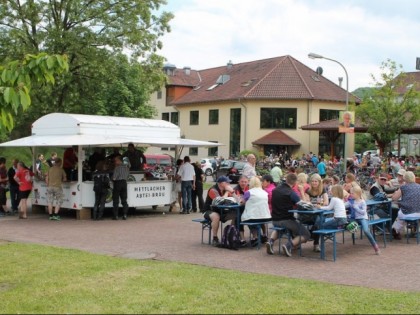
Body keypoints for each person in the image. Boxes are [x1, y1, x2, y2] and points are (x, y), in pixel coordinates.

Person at [266, 173, 311, 257]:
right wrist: (301, 191)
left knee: (281, 229)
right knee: (306, 234)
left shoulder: (275, 190)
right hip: (286, 220)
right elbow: (304, 205)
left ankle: (271, 241)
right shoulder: (291, 192)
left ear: (286, 180)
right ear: (294, 183)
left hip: (274, 220)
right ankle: (289, 245)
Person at [312, 185, 348, 252]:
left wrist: (320, 207)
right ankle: (318, 237)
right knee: (324, 225)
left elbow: (329, 208)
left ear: (335, 191)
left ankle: (312, 236)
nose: (329, 191)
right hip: (343, 220)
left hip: (338, 220)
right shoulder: (340, 199)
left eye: (331, 190)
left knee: (320, 226)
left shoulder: (334, 199)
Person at [346, 185, 381, 255]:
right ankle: (353, 229)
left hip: (362, 218)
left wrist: (356, 208)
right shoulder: (351, 201)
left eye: (352, 193)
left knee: (366, 230)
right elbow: (345, 205)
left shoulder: (362, 202)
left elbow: (363, 212)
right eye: (351, 193)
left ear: (357, 194)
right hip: (354, 218)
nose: (351, 195)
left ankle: (375, 246)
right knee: (349, 225)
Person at [203, 176, 235, 246]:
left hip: (222, 211)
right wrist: (227, 192)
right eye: (226, 182)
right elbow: (220, 202)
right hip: (209, 211)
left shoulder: (225, 189)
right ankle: (215, 238)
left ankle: (230, 234)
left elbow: (237, 199)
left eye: (228, 182)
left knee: (236, 215)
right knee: (216, 216)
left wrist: (232, 192)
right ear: (220, 183)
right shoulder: (213, 190)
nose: (228, 183)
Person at [241, 177, 271, 246]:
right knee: (259, 216)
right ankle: (264, 234)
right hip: (266, 216)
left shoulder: (248, 192)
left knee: (249, 219)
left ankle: (255, 237)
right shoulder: (265, 192)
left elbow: (242, 202)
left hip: (253, 217)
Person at [390, 171, 420, 240]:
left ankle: (395, 230)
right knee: (401, 214)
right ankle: (396, 230)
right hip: (418, 213)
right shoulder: (419, 186)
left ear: (405, 178)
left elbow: (394, 198)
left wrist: (395, 193)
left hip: (407, 213)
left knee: (400, 214)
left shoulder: (403, 187)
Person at [112, 155, 129, 220]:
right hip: (124, 183)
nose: (115, 162)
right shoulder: (126, 167)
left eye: (116, 160)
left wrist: (112, 179)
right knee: (124, 200)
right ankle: (125, 214)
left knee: (116, 200)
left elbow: (114, 178)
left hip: (118, 183)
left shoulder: (117, 168)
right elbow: (128, 176)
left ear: (119, 160)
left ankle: (115, 215)